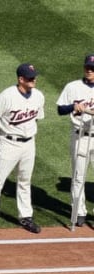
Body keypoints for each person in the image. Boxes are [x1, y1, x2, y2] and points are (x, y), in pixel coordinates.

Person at [0, 63, 45, 236]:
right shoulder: (6, 96)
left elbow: (36, 119)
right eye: (30, 78)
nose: (34, 80)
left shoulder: (38, 96)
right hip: (8, 143)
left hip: (29, 144)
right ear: (21, 79)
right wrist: (2, 138)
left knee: (24, 180)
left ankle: (26, 216)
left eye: (34, 77)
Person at [56, 54, 94, 227]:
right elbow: (60, 109)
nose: (89, 71)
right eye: (87, 67)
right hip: (80, 136)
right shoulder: (72, 87)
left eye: (92, 68)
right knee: (79, 176)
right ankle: (79, 212)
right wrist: (74, 107)